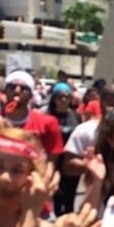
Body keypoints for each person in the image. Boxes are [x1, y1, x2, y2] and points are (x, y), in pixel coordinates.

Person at [0, 73, 63, 165]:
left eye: (24, 88)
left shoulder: (48, 123)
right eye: (12, 87)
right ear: (4, 91)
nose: (17, 90)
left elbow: (51, 161)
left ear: (31, 95)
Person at [45, 83, 81, 215]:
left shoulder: (76, 116)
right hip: (55, 162)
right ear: (54, 99)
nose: (63, 100)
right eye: (60, 97)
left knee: (70, 195)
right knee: (57, 196)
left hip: (70, 160)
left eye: (66, 97)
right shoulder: (48, 116)